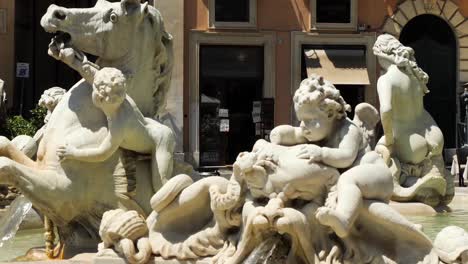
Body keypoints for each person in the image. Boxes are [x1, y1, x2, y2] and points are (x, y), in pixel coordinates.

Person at [268, 75, 393, 237]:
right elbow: (294, 133)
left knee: (347, 179)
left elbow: (346, 157)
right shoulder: (313, 131)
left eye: (310, 120)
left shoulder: (348, 130)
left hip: (376, 176)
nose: (303, 126)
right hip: (355, 183)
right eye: (301, 120)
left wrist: (321, 153)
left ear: (330, 114)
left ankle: (343, 220)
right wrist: (278, 134)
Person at [56, 48, 175, 192]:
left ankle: (194, 189)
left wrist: (73, 153)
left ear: (105, 98)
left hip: (160, 140)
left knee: (161, 187)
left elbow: (102, 153)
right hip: (150, 126)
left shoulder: (119, 125)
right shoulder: (114, 90)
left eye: (100, 96)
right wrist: (71, 60)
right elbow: (91, 73)